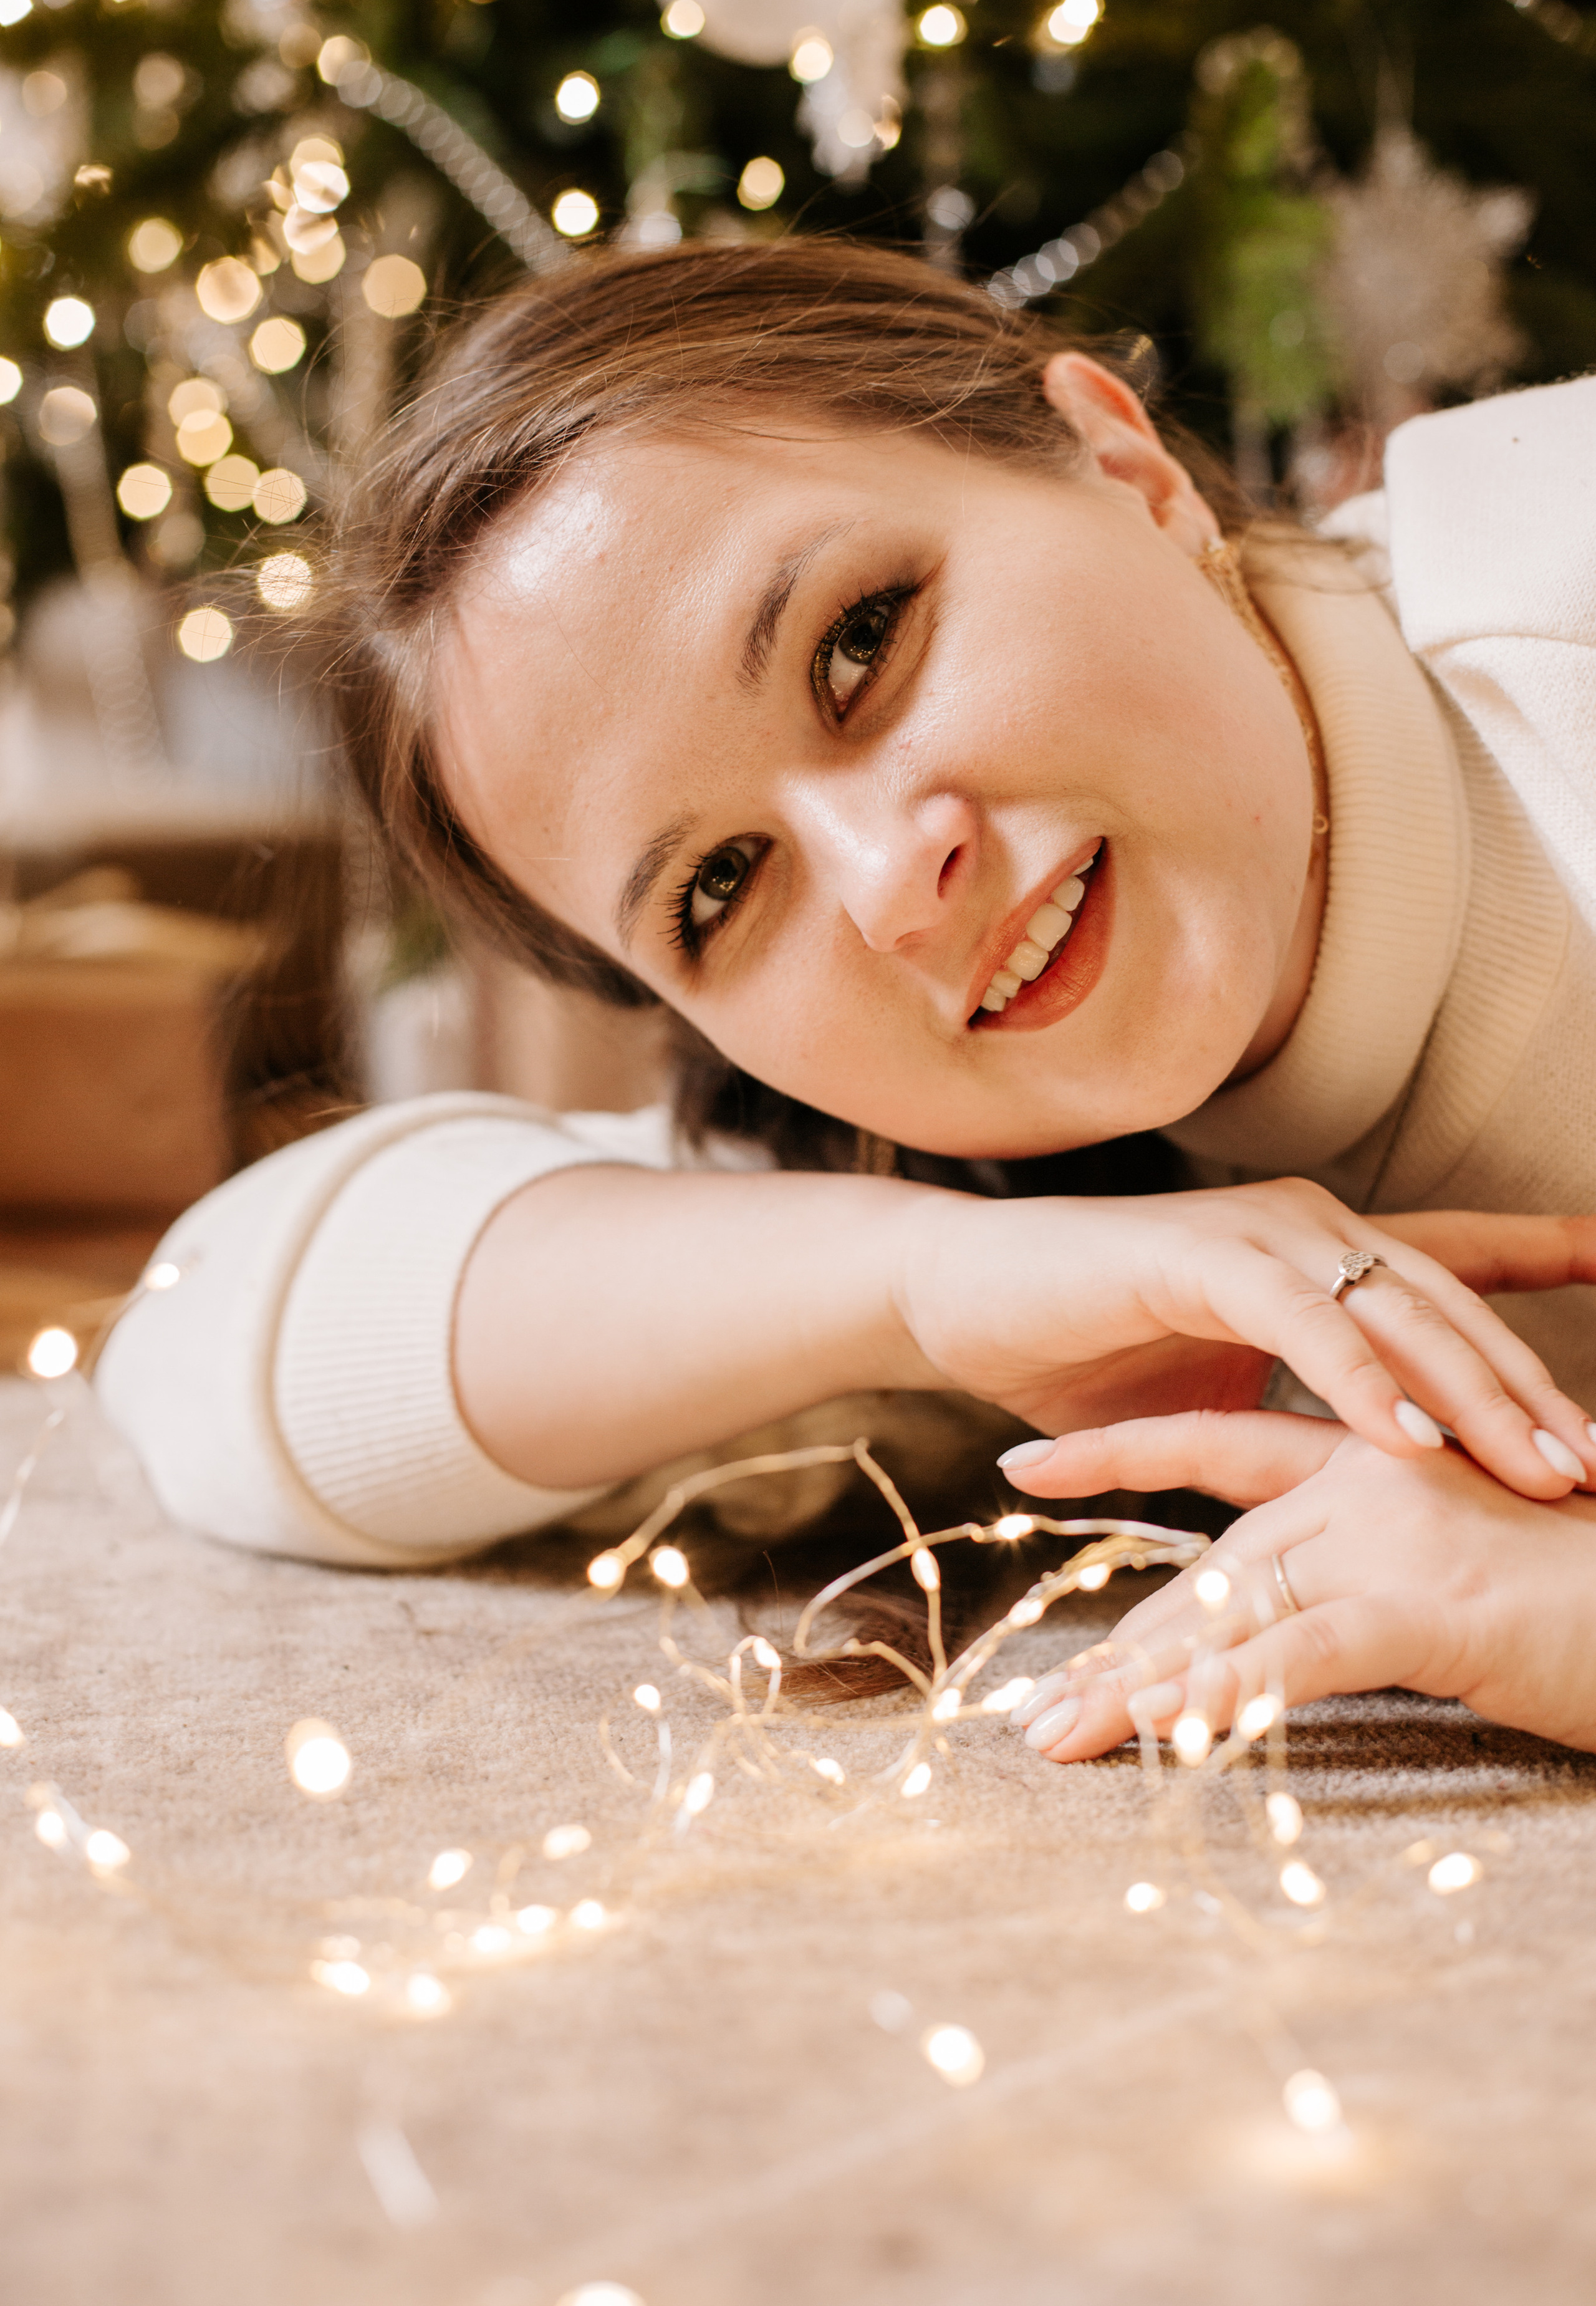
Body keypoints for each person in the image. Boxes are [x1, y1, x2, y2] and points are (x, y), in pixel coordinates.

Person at [98, 239, 1596, 1758]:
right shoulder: (994, 1169)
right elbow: (200, 1347)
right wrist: (919, 1280)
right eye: (718, 887)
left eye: (860, 641)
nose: (886, 885)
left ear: (1125, 467)